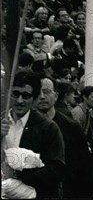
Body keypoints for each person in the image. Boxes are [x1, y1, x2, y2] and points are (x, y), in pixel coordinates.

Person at [1, 70, 65, 198]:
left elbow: (57, 169)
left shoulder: (48, 128)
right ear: (9, 94)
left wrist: (18, 174)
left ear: (35, 99)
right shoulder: (1, 122)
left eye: (25, 96)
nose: (19, 100)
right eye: (15, 94)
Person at [36, 77, 91, 198]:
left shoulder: (71, 127)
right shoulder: (26, 126)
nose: (41, 96)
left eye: (46, 92)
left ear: (55, 96)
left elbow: (83, 166)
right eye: (37, 92)